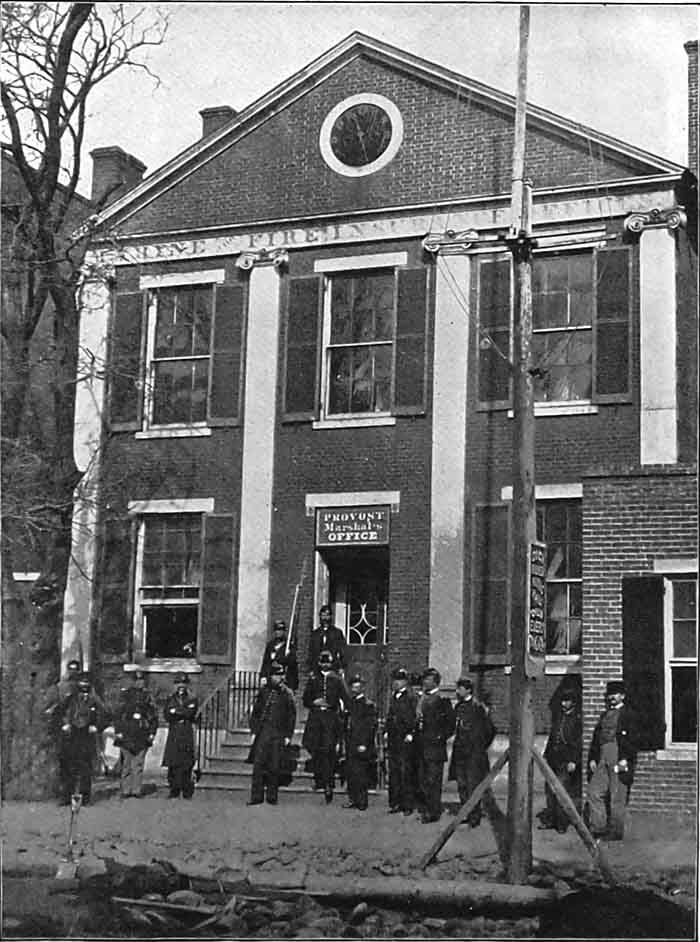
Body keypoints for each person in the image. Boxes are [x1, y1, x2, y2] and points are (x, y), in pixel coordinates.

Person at [587, 680, 639, 840]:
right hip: (603, 756)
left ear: (622, 696)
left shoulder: (630, 714)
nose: (612, 697)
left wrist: (625, 758)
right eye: (609, 695)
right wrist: (593, 758)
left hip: (619, 757)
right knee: (594, 792)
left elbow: (634, 739)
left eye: (615, 694)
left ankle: (615, 832)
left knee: (617, 795)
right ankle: (598, 827)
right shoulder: (604, 714)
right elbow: (596, 739)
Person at [448, 677, 495, 828]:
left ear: (468, 690)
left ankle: (474, 816)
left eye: (460, 688)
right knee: (461, 785)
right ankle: (465, 813)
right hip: (460, 753)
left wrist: (480, 747)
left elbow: (490, 730)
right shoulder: (458, 707)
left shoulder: (478, 708)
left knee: (472, 785)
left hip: (474, 755)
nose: (457, 691)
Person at [247, 662, 296, 805]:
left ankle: (272, 796)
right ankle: (256, 797)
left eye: (281, 675)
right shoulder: (264, 692)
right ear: (271, 676)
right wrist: (254, 731)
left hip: (278, 733)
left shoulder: (287, 694)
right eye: (276, 675)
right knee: (258, 765)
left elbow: (291, 716)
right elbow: (255, 713)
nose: (280, 678)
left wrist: (288, 735)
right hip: (263, 732)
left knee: (274, 765)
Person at [302, 649, 346, 803]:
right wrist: (313, 702)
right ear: (319, 662)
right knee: (315, 748)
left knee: (328, 750)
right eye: (323, 661)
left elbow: (345, 698)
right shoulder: (313, 678)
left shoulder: (337, 679)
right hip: (316, 718)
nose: (325, 664)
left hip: (330, 717)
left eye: (328, 662)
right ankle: (319, 779)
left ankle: (328, 784)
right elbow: (305, 699)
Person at [539, 678, 582, 833]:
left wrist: (574, 760)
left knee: (562, 791)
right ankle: (550, 819)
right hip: (553, 759)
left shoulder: (577, 720)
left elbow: (578, 742)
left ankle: (562, 823)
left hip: (566, 760)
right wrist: (545, 754)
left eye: (567, 701)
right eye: (563, 701)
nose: (564, 704)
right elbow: (553, 736)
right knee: (550, 790)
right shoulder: (559, 717)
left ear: (573, 702)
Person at [415, 667, 455, 823]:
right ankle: (426, 809)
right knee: (423, 780)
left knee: (433, 781)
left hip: (435, 749)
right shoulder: (421, 699)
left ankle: (433, 812)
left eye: (429, 679)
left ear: (436, 682)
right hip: (422, 747)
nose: (425, 682)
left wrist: (440, 737)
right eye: (424, 679)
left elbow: (450, 724)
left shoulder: (442, 701)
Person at [60, 673, 104, 805]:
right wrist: (65, 724)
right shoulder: (70, 699)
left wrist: (96, 726)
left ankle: (85, 798)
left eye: (86, 683)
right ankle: (67, 797)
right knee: (69, 767)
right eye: (81, 683)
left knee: (85, 768)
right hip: (72, 735)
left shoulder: (95, 700)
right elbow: (61, 712)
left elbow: (105, 714)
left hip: (87, 735)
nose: (83, 686)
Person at [114, 669, 158, 799]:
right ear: (133, 681)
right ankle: (126, 789)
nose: (140, 683)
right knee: (126, 764)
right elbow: (118, 715)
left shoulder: (148, 697)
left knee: (138, 764)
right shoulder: (125, 695)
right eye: (137, 680)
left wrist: (152, 733)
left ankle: (136, 789)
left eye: (142, 680)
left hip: (142, 733)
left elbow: (153, 717)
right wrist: (118, 732)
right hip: (127, 732)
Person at [384, 667, 418, 815]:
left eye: (399, 680)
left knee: (406, 772)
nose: (396, 683)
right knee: (394, 772)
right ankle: (395, 802)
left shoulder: (411, 697)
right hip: (394, 738)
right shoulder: (393, 697)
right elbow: (390, 715)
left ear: (405, 682)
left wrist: (411, 733)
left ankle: (408, 805)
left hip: (406, 739)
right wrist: (386, 731)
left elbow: (415, 717)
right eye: (395, 680)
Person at [343, 674, 377, 811]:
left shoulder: (367, 705)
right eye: (353, 686)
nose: (355, 688)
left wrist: (364, 743)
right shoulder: (350, 703)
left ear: (362, 688)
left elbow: (369, 726)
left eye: (358, 686)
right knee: (351, 772)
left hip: (361, 743)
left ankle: (362, 801)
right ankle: (353, 799)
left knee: (361, 773)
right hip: (350, 742)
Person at [162, 673, 198, 799]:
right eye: (178, 683)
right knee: (173, 762)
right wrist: (179, 712)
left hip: (186, 732)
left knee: (186, 763)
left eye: (183, 683)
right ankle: (174, 790)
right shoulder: (170, 698)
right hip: (174, 732)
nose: (181, 686)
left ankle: (186, 790)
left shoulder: (192, 698)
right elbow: (167, 714)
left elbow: (190, 713)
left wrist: (176, 711)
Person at [259, 619, 298, 690]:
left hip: (284, 679)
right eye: (276, 630)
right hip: (271, 678)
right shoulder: (270, 645)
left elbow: (293, 664)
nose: (278, 632)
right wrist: (263, 676)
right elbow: (266, 662)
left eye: (280, 630)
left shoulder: (289, 646)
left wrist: (288, 656)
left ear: (284, 631)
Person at [307, 604, 347, 674]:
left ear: (331, 616)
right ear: (320, 617)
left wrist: (341, 666)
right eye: (323, 615)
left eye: (327, 615)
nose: (325, 618)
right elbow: (311, 652)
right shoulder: (315, 634)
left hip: (333, 668)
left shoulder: (337, 633)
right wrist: (311, 669)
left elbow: (342, 651)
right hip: (318, 669)